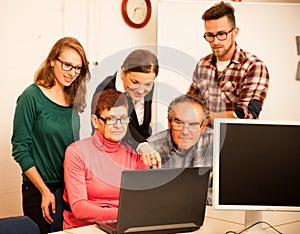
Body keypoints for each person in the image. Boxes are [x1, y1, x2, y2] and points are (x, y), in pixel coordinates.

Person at [11, 37, 91, 233]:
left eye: (77, 68)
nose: (72, 73)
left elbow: (73, 148)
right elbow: (20, 149)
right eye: (67, 65)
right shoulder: (31, 96)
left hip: (68, 189)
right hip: (39, 190)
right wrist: (45, 192)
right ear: (52, 61)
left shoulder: (73, 100)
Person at [63, 89, 149, 229]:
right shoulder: (76, 152)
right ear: (95, 121)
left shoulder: (136, 154)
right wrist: (125, 213)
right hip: (84, 228)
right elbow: (79, 209)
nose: (118, 126)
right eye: (110, 119)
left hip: (124, 225)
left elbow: (142, 202)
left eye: (123, 118)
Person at [187, 1, 269, 125]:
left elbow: (246, 115)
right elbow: (190, 103)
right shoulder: (203, 64)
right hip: (202, 140)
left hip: (235, 141)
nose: (215, 41)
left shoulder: (254, 66)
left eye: (221, 34)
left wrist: (201, 117)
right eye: (210, 35)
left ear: (235, 32)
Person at [92, 49, 161, 167]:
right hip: (109, 157)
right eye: (135, 82)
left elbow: (142, 124)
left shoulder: (145, 82)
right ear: (123, 73)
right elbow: (118, 127)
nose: (140, 90)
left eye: (148, 84)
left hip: (138, 157)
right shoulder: (107, 88)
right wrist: (142, 145)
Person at [148, 93, 213, 204]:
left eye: (193, 125)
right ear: (169, 123)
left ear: (203, 127)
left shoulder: (217, 144)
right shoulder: (151, 147)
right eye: (178, 123)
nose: (185, 132)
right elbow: (148, 194)